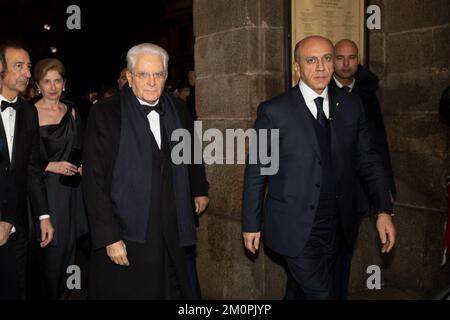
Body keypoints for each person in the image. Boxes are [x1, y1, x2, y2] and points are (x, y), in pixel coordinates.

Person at [242, 36, 396, 300]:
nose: (321, 67)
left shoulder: (351, 105)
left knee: (301, 290)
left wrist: (383, 210)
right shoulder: (274, 111)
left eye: (327, 58)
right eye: (311, 60)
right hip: (295, 223)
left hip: (339, 222)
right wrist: (251, 222)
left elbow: (368, 159)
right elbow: (257, 169)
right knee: (320, 294)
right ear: (297, 67)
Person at [83, 43, 197, 299]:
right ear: (130, 77)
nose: (151, 81)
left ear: (166, 77)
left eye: (158, 74)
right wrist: (109, 237)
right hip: (127, 232)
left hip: (170, 230)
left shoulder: (178, 110)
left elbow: (190, 157)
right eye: (144, 74)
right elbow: (93, 181)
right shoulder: (105, 112)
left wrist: (197, 190)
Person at [328, 38, 397, 299]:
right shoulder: (321, 90)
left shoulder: (367, 96)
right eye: (340, 57)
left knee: (346, 249)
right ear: (332, 60)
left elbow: (378, 144)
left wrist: (386, 187)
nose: (346, 64)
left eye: (351, 58)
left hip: (357, 189)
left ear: (358, 61)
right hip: (327, 188)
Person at [0, 43, 54, 300]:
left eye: (28, 66)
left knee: (15, 290)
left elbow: (32, 167)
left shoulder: (29, 112)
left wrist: (43, 215)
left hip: (19, 223)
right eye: (18, 66)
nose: (26, 73)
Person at [33, 58, 88, 299]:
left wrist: (84, 164)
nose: (53, 86)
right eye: (46, 81)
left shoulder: (72, 110)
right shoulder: (29, 112)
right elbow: (21, 160)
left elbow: (80, 147)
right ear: (37, 86)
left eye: (57, 80)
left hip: (72, 190)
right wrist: (50, 165)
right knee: (52, 253)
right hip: (46, 190)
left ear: (64, 84)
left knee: (69, 250)